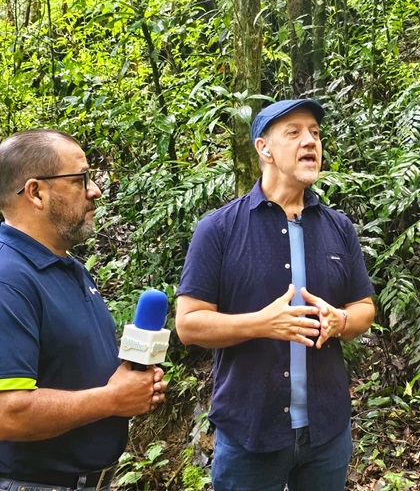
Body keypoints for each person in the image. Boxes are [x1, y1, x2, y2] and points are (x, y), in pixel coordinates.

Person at [175, 99, 375, 490]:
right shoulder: (218, 229)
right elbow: (188, 324)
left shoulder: (339, 228)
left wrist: (343, 321)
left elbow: (364, 307)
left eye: (315, 133)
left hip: (327, 432)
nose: (310, 142)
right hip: (251, 430)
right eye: (294, 132)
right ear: (264, 149)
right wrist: (261, 324)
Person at [0, 129, 167, 490]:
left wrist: (132, 382)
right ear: (36, 192)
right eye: (80, 180)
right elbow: (8, 413)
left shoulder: (67, 267)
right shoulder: (8, 278)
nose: (95, 191)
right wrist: (111, 399)